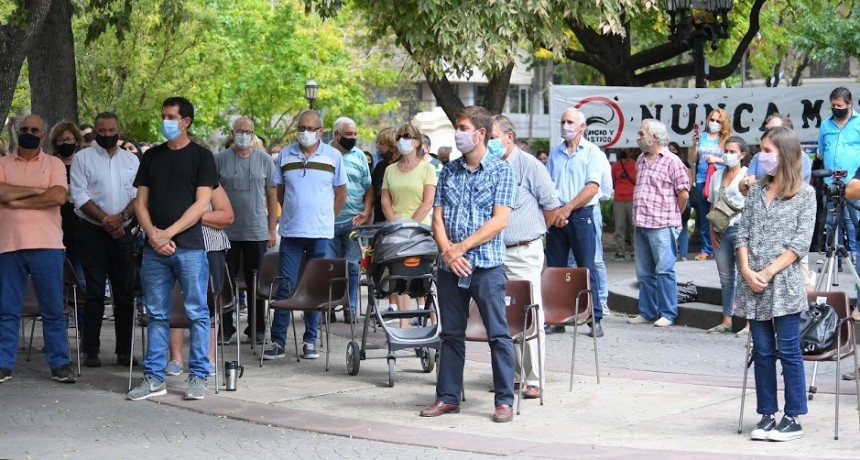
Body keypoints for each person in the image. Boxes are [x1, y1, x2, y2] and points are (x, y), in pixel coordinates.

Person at [420, 106, 516, 423]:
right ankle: (448, 397)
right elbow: (437, 217)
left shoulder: (502, 171)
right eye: (457, 127)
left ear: (480, 133)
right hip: (450, 269)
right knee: (451, 334)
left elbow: (499, 220)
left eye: (462, 127)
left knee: (498, 334)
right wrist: (448, 252)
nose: (458, 133)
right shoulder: (448, 171)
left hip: (485, 267)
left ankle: (504, 400)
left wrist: (460, 248)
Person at [127, 97, 218, 401]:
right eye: (163, 115)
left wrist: (167, 234)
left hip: (190, 247)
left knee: (197, 312)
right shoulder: (152, 156)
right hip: (155, 249)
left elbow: (202, 203)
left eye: (170, 116)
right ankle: (154, 378)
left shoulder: (202, 157)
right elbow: (140, 202)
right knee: (155, 313)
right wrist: (153, 234)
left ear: (186, 121)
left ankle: (199, 377)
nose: (165, 121)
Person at [736, 127, 815, 442]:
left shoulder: (805, 194)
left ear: (784, 153)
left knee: (789, 349)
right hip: (752, 285)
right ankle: (767, 414)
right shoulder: (755, 191)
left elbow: (800, 244)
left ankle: (793, 416)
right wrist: (746, 269)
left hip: (783, 284)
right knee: (763, 350)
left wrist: (767, 272)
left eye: (768, 150)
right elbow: (742, 233)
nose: (762, 156)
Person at [0, 115, 76, 384]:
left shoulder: (54, 163)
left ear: (44, 135)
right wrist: (36, 190)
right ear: (17, 131)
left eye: (35, 129)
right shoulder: (3, 163)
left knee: (53, 309)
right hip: (9, 245)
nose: (29, 133)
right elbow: (0, 193)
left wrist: (16, 200)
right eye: (24, 129)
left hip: (48, 244)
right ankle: (3, 364)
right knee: (7, 309)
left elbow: (58, 196)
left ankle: (59, 364)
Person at [264, 110, 346, 361]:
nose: (305, 133)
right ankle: (278, 340)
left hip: (320, 233)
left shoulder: (333, 156)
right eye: (302, 128)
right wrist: (293, 211)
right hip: (291, 231)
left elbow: (341, 194)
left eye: (311, 128)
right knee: (284, 284)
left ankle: (311, 340)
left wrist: (326, 218)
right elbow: (280, 191)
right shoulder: (285, 155)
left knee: (315, 287)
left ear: (322, 131)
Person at [491, 114, 558, 400]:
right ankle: (513, 376)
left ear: (509, 136)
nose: (488, 143)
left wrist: (533, 232)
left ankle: (534, 378)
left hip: (524, 250)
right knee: (502, 315)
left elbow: (552, 207)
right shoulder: (489, 167)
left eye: (492, 137)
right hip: (494, 253)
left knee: (529, 311)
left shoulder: (530, 165)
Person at [70, 112, 140, 368]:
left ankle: (124, 351)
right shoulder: (82, 158)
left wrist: (120, 218)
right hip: (92, 233)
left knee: (124, 295)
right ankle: (91, 350)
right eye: (102, 130)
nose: (107, 135)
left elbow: (139, 195)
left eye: (112, 130)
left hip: (123, 234)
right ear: (95, 131)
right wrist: (105, 221)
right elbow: (79, 195)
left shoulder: (132, 160)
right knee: (95, 294)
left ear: (118, 130)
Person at [214, 117, 278, 344]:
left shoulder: (265, 160)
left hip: (257, 230)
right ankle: (226, 328)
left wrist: (272, 229)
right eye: (240, 131)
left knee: (257, 282)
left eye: (248, 131)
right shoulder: (218, 160)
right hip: (225, 232)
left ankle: (257, 328)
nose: (244, 135)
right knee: (225, 281)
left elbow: (272, 196)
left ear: (253, 134)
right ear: (233, 133)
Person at [545, 108, 605, 337]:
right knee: (556, 270)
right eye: (563, 121)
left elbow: (592, 187)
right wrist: (555, 213)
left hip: (581, 215)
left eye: (570, 122)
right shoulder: (555, 153)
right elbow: (548, 185)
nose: (565, 125)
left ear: (581, 126)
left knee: (586, 268)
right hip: (558, 216)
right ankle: (557, 318)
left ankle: (595, 318)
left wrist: (567, 208)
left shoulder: (592, 153)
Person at [627, 119, 690, 328]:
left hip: (663, 225)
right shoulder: (640, 159)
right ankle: (647, 311)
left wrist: (674, 216)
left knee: (664, 271)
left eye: (641, 133)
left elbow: (683, 193)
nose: (638, 137)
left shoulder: (672, 161)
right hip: (642, 224)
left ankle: (668, 313)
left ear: (654, 137)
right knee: (644, 273)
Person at [165, 185, 233, 376]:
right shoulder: (168, 181)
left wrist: (191, 216)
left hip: (210, 247)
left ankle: (208, 358)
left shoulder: (211, 183)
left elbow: (227, 216)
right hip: (175, 247)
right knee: (175, 300)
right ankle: (175, 358)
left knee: (210, 303)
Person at [381, 124, 438, 328]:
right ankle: (404, 326)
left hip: (420, 231)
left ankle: (433, 323)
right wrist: (397, 225)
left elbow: (428, 201)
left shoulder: (427, 169)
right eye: (400, 137)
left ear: (417, 142)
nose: (403, 140)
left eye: (407, 136)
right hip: (396, 232)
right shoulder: (390, 170)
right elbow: (385, 201)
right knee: (400, 278)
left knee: (425, 278)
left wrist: (410, 226)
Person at [326, 116, 372, 324]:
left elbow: (368, 187)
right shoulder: (323, 154)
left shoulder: (360, 156)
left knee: (353, 267)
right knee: (327, 268)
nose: (353, 138)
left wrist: (366, 210)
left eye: (355, 134)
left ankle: (350, 308)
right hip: (327, 223)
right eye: (348, 134)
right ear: (336, 135)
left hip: (353, 222)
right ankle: (327, 307)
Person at [705, 135, 749, 334]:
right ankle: (726, 319)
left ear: (742, 155)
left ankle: (749, 323)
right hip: (721, 230)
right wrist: (711, 230)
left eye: (733, 152)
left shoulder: (748, 175)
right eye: (727, 151)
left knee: (745, 276)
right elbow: (713, 204)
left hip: (741, 230)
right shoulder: (716, 176)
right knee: (725, 278)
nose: (728, 154)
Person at [817, 88, 860, 267]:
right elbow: (821, 150)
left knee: (854, 221)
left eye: (840, 105)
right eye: (833, 105)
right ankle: (836, 258)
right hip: (831, 182)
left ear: (849, 104)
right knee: (832, 221)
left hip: (854, 183)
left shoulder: (859, 123)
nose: (836, 108)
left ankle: (856, 255)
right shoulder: (826, 125)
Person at [47, 121, 87, 294]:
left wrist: (67, 191)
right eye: (61, 140)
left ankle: (82, 314)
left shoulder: (85, 163)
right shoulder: (50, 165)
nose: (65, 143)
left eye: (69, 139)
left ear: (76, 141)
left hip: (80, 227)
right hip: (55, 227)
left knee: (81, 274)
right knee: (57, 275)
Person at [688, 108, 732, 261]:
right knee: (705, 216)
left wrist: (716, 160)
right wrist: (694, 145)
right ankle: (706, 248)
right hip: (702, 180)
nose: (714, 123)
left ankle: (721, 247)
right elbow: (691, 159)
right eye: (712, 120)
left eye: (718, 121)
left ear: (723, 123)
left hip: (720, 180)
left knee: (720, 215)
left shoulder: (726, 138)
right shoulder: (702, 137)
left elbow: (731, 159)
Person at [669, 142, 693, 261]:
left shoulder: (685, 164)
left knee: (682, 227)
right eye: (670, 149)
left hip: (683, 197)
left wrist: (681, 193)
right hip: (669, 199)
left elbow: (689, 183)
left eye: (674, 149)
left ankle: (683, 254)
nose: (672, 151)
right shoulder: (665, 163)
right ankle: (671, 254)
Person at [611, 148, 636, 261]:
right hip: (619, 198)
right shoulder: (616, 165)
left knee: (634, 227)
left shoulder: (636, 164)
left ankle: (635, 251)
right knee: (619, 227)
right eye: (623, 150)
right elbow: (613, 181)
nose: (625, 152)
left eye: (627, 150)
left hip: (632, 198)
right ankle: (620, 252)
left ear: (631, 152)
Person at [371, 127, 398, 223]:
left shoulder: (404, 167)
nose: (378, 147)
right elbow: (373, 191)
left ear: (393, 146)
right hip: (379, 221)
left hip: (399, 221)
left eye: (382, 144)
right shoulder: (380, 166)